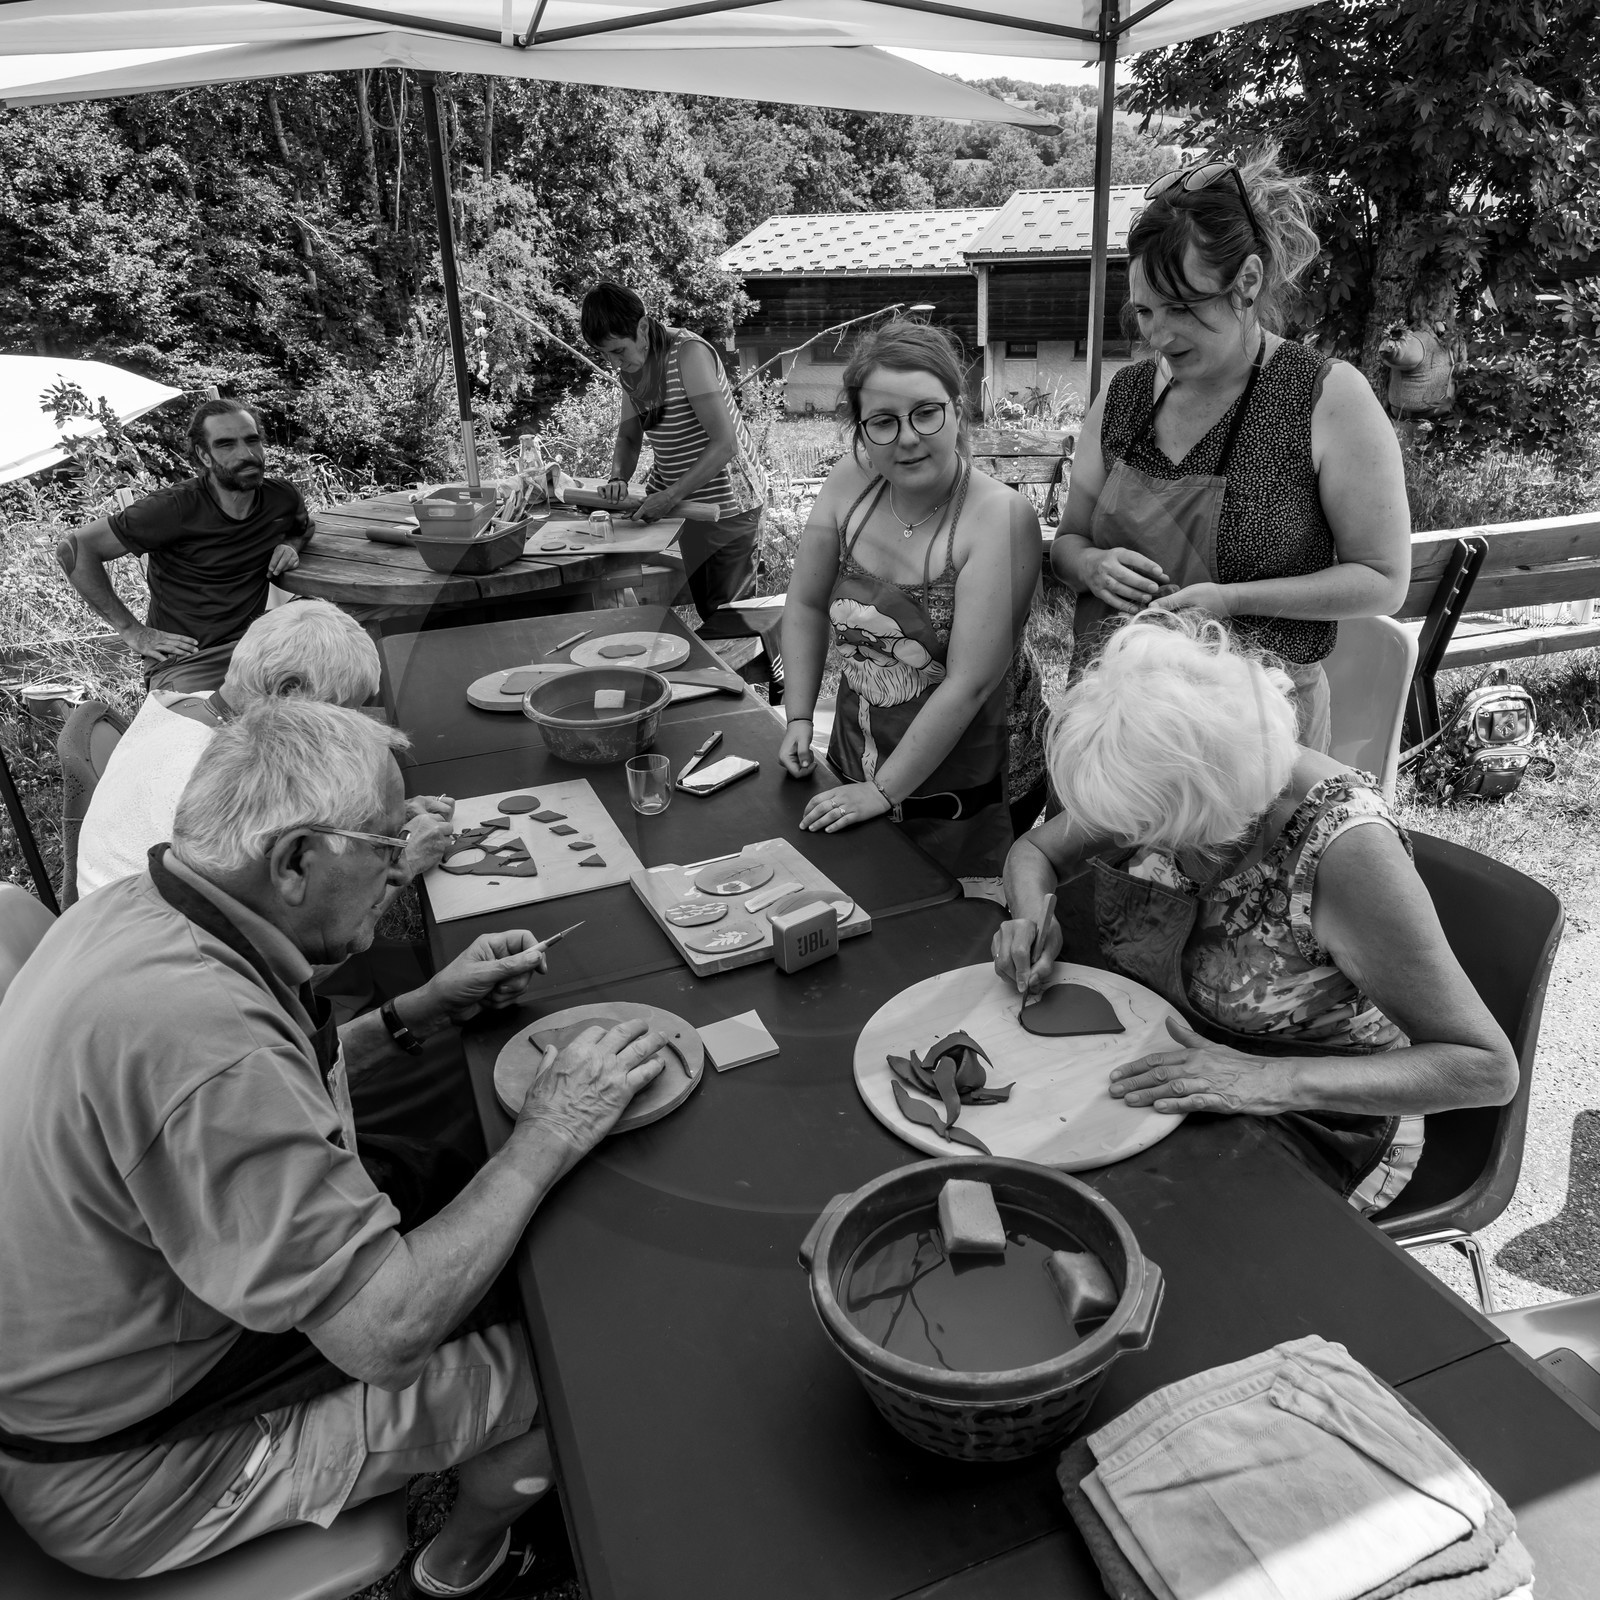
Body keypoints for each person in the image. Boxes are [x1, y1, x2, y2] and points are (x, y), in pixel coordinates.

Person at [0, 699, 670, 1595]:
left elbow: (265, 1086)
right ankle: (463, 1563)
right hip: (140, 1471)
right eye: (387, 845)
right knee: (585, 1348)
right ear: (293, 861)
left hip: (119, 1360)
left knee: (471, 1187)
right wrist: (554, 1128)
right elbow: (384, 1333)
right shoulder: (204, 1038)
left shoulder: (145, 908)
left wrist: (416, 1011)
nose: (401, 869)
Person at [993, 611, 1517, 1213]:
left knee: (1133, 1224)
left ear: (1209, 803)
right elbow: (1036, 852)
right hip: (1174, 1061)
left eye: (1150, 830)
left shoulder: (1345, 852)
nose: (1130, 840)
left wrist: (1270, 1080)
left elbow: (1486, 1069)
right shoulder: (1157, 771)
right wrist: (1033, 919)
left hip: (1317, 1115)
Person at [1050, 150, 1411, 751]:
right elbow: (1068, 544)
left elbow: (1382, 580)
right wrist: (1090, 565)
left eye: (1182, 308)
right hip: (1117, 723)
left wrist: (1232, 601)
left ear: (1246, 281)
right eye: (1145, 312)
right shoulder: (1125, 396)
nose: (1159, 335)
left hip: (1257, 734)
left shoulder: (1323, 396)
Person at [777, 319, 1044, 880]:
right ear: (861, 431)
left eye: (926, 412)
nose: (906, 438)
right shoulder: (848, 485)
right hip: (860, 754)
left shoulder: (1000, 517)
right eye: (883, 421)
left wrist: (882, 792)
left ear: (958, 410)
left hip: (974, 786)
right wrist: (798, 715)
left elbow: (969, 684)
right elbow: (805, 604)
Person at [76, 597, 453, 899]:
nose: (345, 731)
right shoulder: (222, 782)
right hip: (173, 955)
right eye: (339, 713)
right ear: (288, 691)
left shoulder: (190, 704)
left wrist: (386, 825)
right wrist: (403, 860)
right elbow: (300, 933)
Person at [57, 398, 312, 693]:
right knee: (189, 724)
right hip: (188, 660)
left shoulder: (281, 498)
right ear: (204, 456)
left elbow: (303, 527)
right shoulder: (172, 509)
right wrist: (132, 631)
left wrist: (291, 545)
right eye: (226, 445)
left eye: (252, 440)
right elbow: (74, 549)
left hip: (255, 650)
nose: (247, 454)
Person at [581, 282, 766, 639]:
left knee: (730, 620)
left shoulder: (688, 354)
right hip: (685, 503)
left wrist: (668, 497)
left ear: (642, 327)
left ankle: (763, 670)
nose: (615, 363)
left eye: (618, 351)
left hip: (728, 504)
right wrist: (618, 477)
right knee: (709, 608)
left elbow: (725, 444)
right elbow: (629, 436)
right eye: (605, 355)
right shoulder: (633, 367)